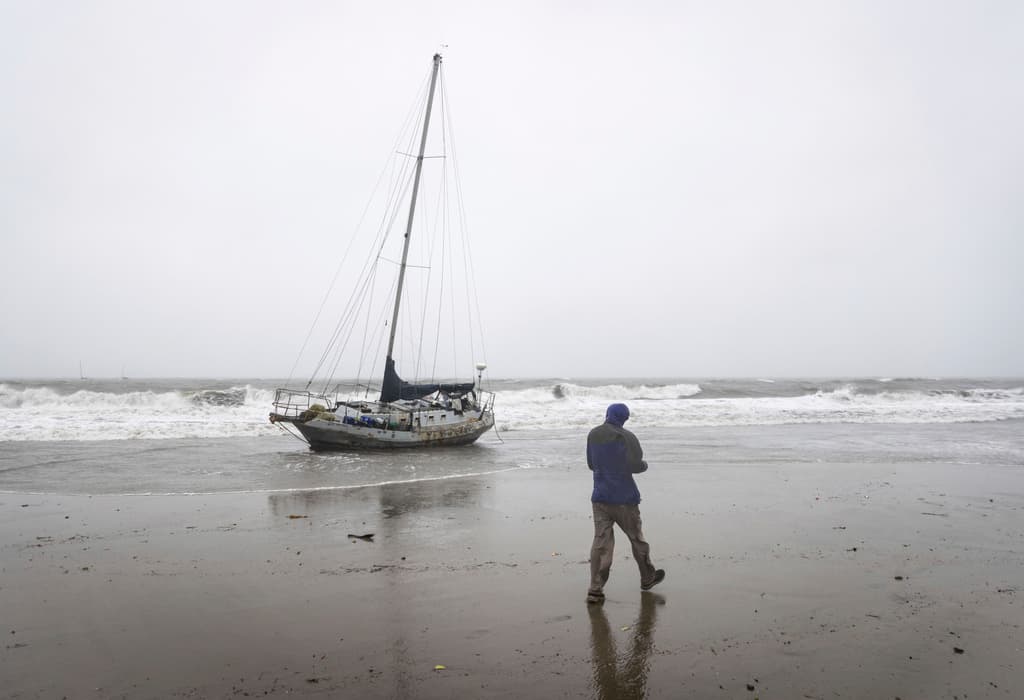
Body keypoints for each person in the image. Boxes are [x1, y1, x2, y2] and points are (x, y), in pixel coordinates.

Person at [586, 403, 664, 604]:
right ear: (625, 418)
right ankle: (647, 578)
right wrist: (644, 466)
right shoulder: (627, 437)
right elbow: (635, 465)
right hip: (624, 499)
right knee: (637, 539)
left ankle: (595, 589)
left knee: (601, 542)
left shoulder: (593, 434)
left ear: (607, 414)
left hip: (600, 497)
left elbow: (591, 465)